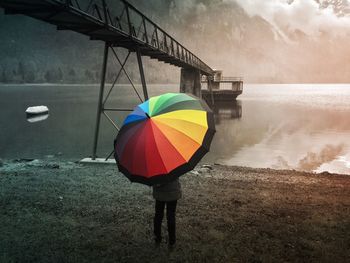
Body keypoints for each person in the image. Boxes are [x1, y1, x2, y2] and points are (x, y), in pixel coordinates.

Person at [152, 177, 182, 249]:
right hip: (173, 191)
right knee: (171, 216)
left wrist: (156, 184)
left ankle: (157, 237)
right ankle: (172, 240)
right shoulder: (173, 165)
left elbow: (155, 181)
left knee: (158, 215)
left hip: (160, 193)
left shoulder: (154, 166)